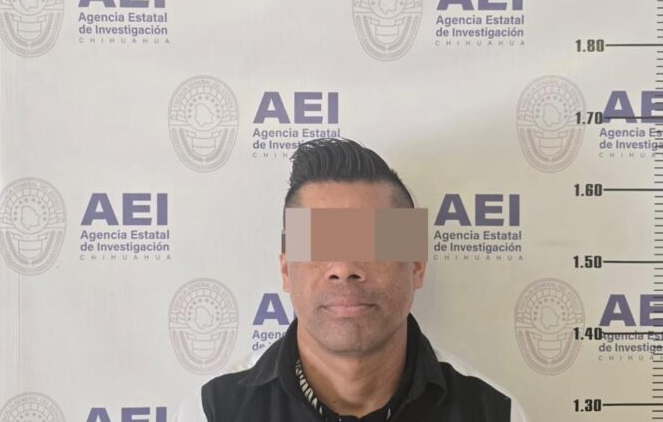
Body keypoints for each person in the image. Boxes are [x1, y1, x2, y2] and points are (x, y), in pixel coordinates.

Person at [177, 138, 526, 421]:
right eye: (319, 244)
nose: (344, 267)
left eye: (373, 244)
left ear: (417, 266)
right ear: (286, 270)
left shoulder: (492, 412)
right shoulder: (214, 411)